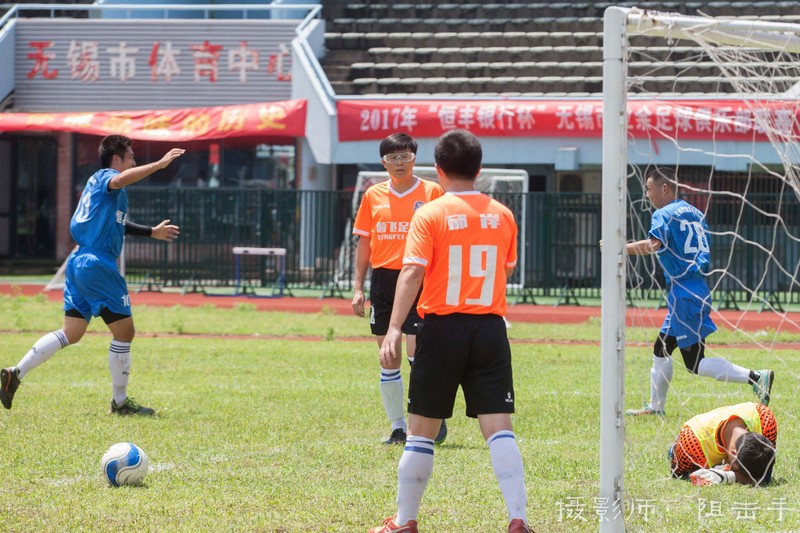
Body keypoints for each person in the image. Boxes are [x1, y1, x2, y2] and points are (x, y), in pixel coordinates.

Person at [370, 130, 531, 533]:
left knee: (420, 432)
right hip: (490, 329)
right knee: (499, 429)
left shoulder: (431, 213)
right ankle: (518, 518)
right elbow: (506, 267)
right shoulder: (503, 214)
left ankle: (405, 521)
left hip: (441, 329)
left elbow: (412, 272)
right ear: (479, 168)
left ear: (438, 169)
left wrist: (394, 327)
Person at [0, 135, 184, 416]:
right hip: (97, 263)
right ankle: (120, 403)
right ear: (116, 159)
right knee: (125, 332)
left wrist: (150, 231)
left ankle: (15, 373)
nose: (134, 161)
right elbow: (120, 180)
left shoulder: (102, 188)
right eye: (131, 157)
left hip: (80, 261)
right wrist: (158, 165)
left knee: (71, 333)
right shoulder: (108, 177)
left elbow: (116, 223)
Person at [624, 167, 774, 416]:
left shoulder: (662, 214)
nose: (647, 194)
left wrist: (621, 247)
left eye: (649, 188)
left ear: (664, 188)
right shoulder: (695, 212)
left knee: (695, 363)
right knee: (661, 348)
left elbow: (653, 245)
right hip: (696, 287)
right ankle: (656, 407)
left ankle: (756, 377)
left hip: (684, 292)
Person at [351, 132, 446, 445]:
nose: (399, 162)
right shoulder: (373, 195)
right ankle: (398, 427)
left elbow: (444, 239)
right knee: (387, 357)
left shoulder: (432, 192)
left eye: (405, 156)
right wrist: (358, 287)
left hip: (420, 279)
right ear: (384, 163)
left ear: (414, 159)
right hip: (383, 281)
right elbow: (365, 243)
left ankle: (429, 417)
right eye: (393, 157)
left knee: (418, 355)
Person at [670, 401, 777, 486]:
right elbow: (679, 475)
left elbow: (764, 475)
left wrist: (729, 477)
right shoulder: (693, 445)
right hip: (687, 442)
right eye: (738, 470)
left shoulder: (765, 419)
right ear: (733, 453)